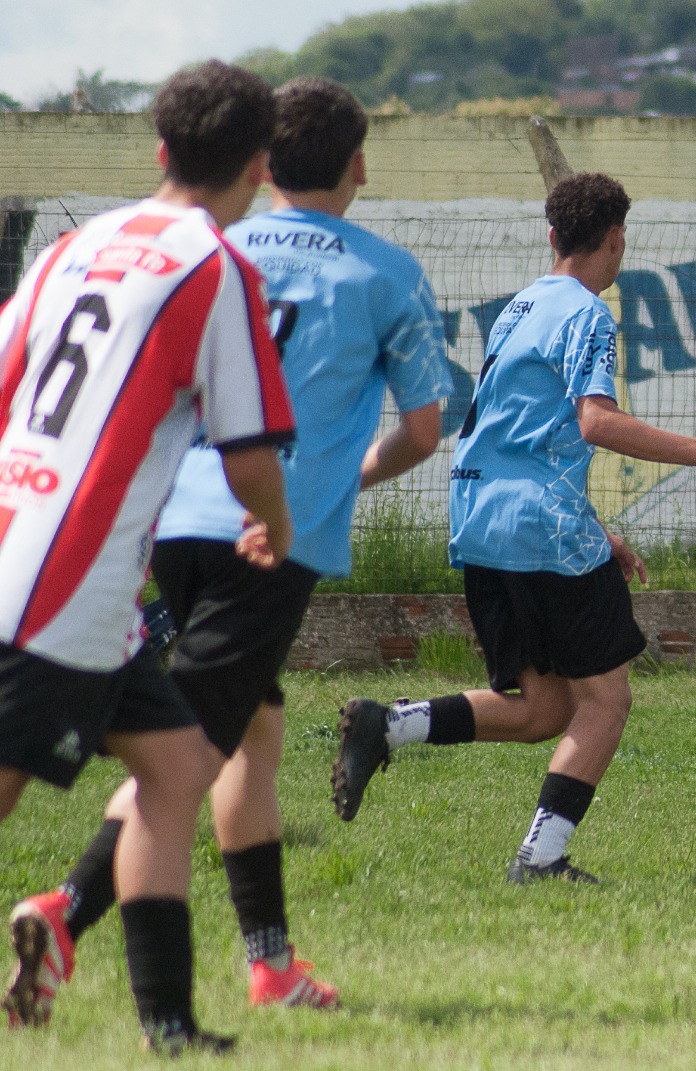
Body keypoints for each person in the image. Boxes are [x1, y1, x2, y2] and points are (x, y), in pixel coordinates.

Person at [7, 77, 453, 1018]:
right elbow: (420, 430)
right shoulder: (375, 273)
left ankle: (271, 963)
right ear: (358, 162)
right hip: (261, 535)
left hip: (158, 522)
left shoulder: (187, 244)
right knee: (192, 751)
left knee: (252, 730)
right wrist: (337, 486)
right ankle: (66, 907)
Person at [330, 172, 696, 883]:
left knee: (543, 708)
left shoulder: (522, 307)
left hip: (481, 516)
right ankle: (541, 857)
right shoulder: (589, 315)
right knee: (607, 699)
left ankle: (390, 724)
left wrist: (594, 525)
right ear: (616, 239)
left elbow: (519, 429)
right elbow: (592, 419)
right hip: (541, 523)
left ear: (551, 236)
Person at [0, 60, 293, 1052]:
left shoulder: (76, 246)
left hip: (58, 571)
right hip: (59, 590)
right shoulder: (216, 271)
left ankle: (168, 1026)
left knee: (176, 767)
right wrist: (278, 529)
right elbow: (249, 453)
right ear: (260, 163)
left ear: (158, 150)